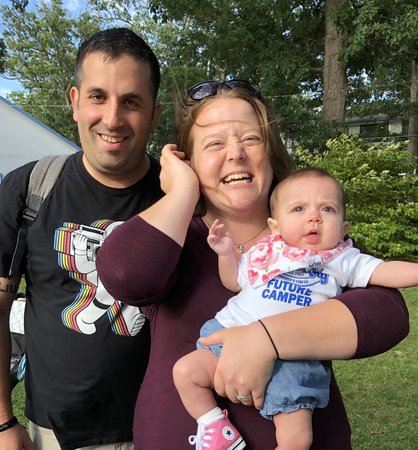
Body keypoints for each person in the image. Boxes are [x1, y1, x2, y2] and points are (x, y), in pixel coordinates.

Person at [96, 80, 409, 449]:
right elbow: (124, 274)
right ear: (189, 162)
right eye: (214, 143)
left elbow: (386, 315)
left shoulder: (313, 237)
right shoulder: (174, 238)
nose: (236, 154)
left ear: (271, 154)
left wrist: (265, 339)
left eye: (250, 139)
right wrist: (182, 192)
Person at [0, 28, 163, 450]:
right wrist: (0, 425)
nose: (112, 118)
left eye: (131, 101)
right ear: (74, 102)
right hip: (55, 434)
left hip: (164, 424)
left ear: (154, 112)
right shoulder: (29, 188)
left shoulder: (181, 196)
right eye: (98, 97)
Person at [173, 167, 418, 450]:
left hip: (294, 357)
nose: (314, 216)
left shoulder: (342, 259)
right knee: (185, 372)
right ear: (275, 226)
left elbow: (385, 271)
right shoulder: (265, 252)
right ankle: (216, 429)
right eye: (299, 209)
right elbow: (233, 282)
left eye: (327, 209)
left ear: (343, 228)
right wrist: (226, 253)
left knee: (297, 437)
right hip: (229, 334)